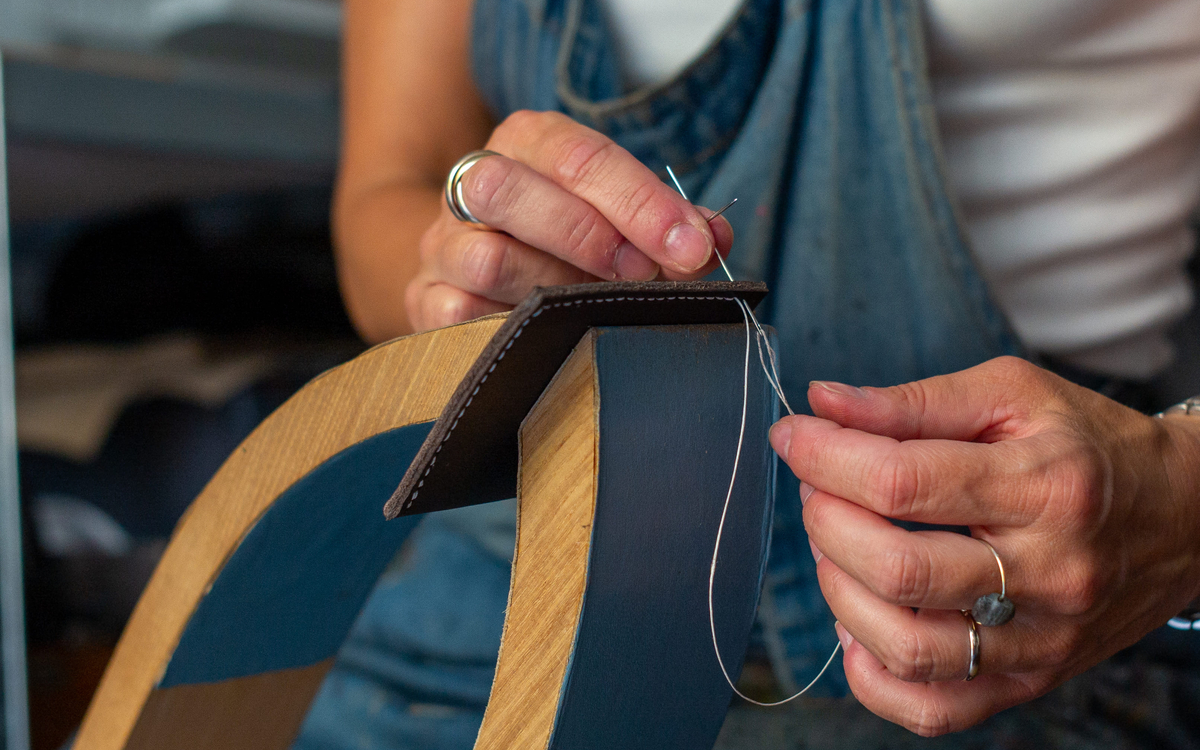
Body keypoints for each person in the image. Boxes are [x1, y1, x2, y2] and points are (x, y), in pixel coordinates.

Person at [297, 0, 1200, 746]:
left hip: (1012, 618)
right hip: (499, 611)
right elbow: (386, 193)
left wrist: (1180, 492)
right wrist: (467, 260)